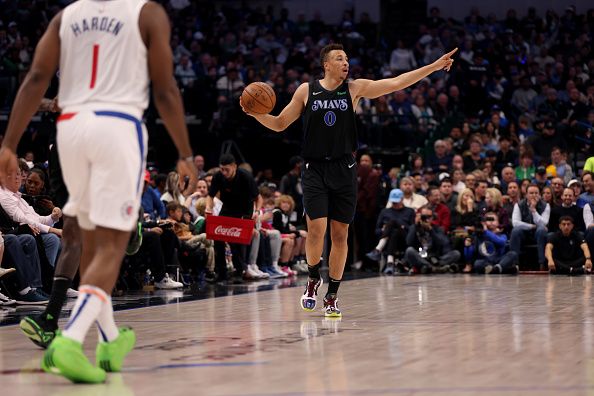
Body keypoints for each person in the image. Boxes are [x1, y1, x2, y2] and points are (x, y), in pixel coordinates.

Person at [0, 0, 196, 384]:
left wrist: (9, 144)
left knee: (88, 238)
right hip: (117, 126)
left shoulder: (66, 16)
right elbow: (166, 90)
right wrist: (185, 153)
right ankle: (69, 340)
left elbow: (37, 76)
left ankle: (110, 340)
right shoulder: (146, 13)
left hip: (70, 130)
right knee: (113, 244)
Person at [241, 43, 456, 317]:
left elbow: (397, 82)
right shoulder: (306, 91)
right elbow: (281, 123)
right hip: (315, 168)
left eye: (347, 59)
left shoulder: (354, 89)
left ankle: (332, 296)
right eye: (340, 59)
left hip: (344, 168)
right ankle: (312, 278)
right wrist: (257, 114)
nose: (346, 63)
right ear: (326, 65)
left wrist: (434, 66)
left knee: (340, 234)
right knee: (316, 229)